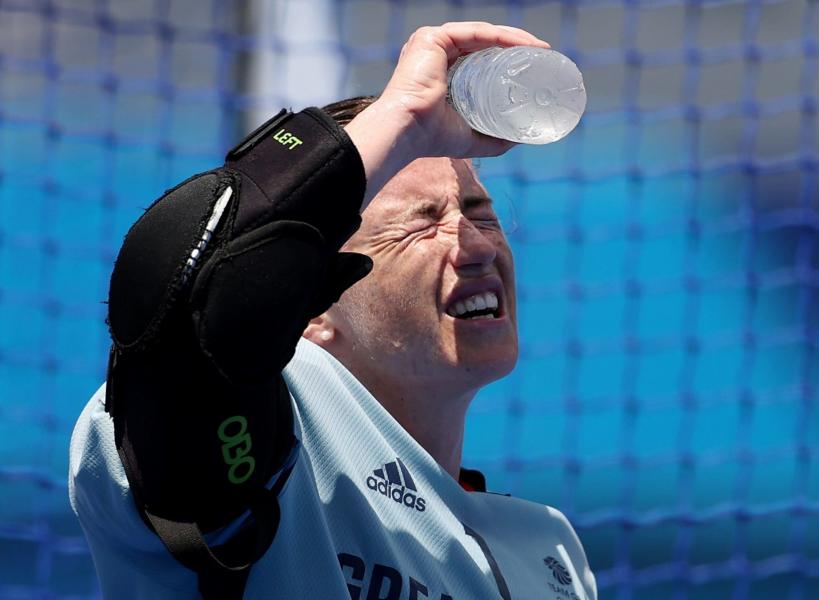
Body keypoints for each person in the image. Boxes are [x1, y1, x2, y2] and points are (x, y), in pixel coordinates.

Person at [69, 21, 597, 600]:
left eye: (482, 213)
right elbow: (179, 296)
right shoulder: (271, 446)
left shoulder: (552, 555)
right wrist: (404, 116)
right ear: (311, 310)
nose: (474, 245)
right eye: (422, 221)